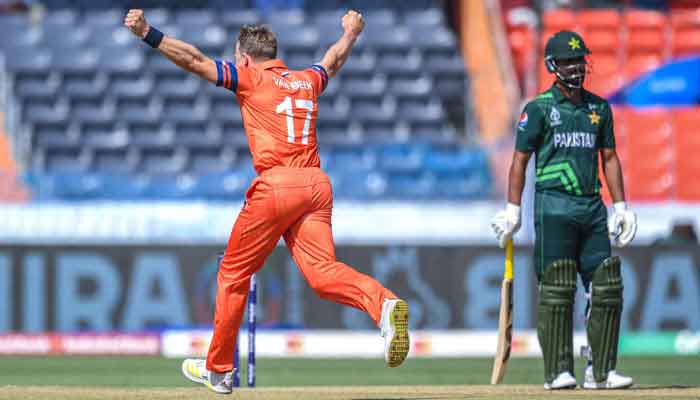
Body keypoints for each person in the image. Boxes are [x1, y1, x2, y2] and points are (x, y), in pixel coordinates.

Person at [124, 9, 410, 394]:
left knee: (232, 275)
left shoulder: (249, 77)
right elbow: (333, 60)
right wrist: (350, 33)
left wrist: (148, 33)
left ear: (244, 57)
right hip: (316, 186)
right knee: (323, 274)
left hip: (277, 185)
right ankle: (385, 305)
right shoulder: (306, 80)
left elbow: (195, 61)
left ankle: (220, 370)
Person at [491, 31, 637, 390]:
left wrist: (621, 207)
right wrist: (512, 210)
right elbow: (519, 162)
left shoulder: (599, 108)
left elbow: (610, 158)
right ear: (553, 66)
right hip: (553, 207)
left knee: (607, 286)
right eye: (569, 61)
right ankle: (558, 372)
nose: (576, 66)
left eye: (580, 60)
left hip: (592, 206)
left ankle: (601, 372)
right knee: (556, 289)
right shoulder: (539, 109)